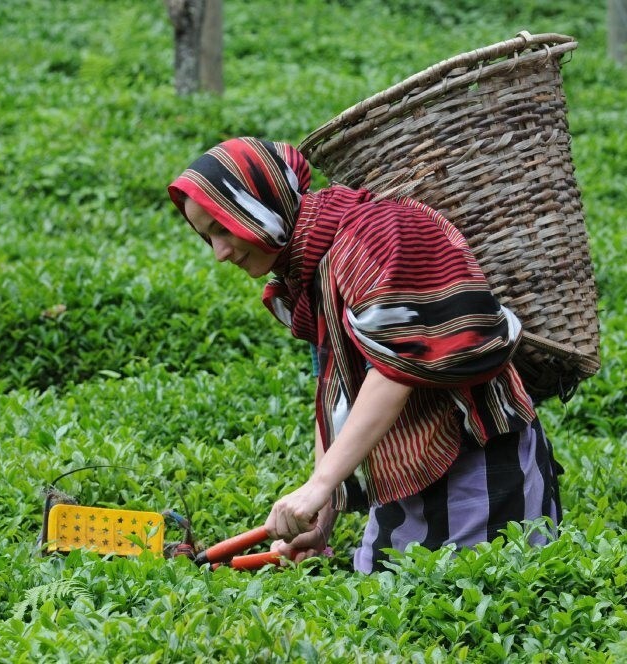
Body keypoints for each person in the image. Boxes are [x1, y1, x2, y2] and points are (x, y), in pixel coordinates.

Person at [167, 137, 561, 573]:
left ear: (261, 202)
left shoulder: (377, 232)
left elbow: (395, 369)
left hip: (478, 458)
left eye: (222, 227)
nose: (220, 253)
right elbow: (336, 393)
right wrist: (325, 511)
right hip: (403, 470)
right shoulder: (307, 270)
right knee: (387, 601)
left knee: (480, 608)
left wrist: (321, 484)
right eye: (207, 238)